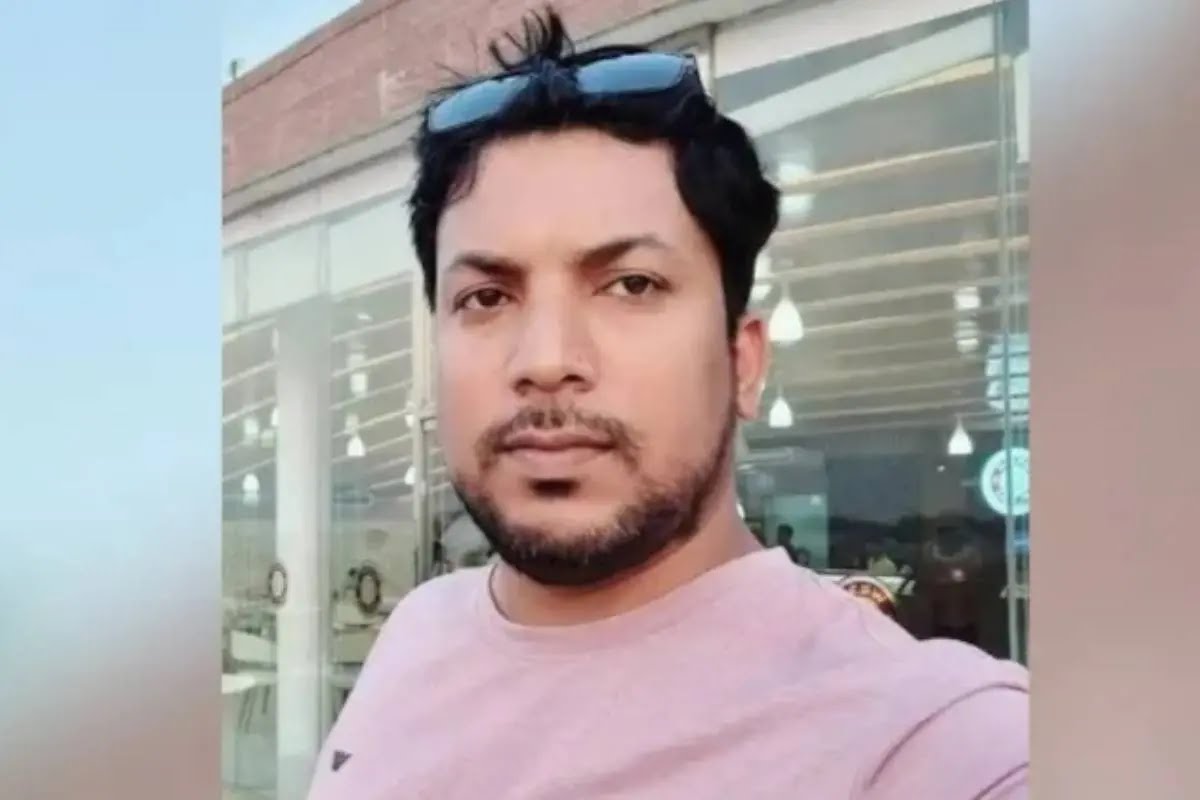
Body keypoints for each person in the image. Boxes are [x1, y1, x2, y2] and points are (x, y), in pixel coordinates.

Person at [308, 11, 1028, 799]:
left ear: (743, 362)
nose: (545, 360)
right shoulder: (418, 631)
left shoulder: (931, 737)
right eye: (486, 297)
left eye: (631, 285)